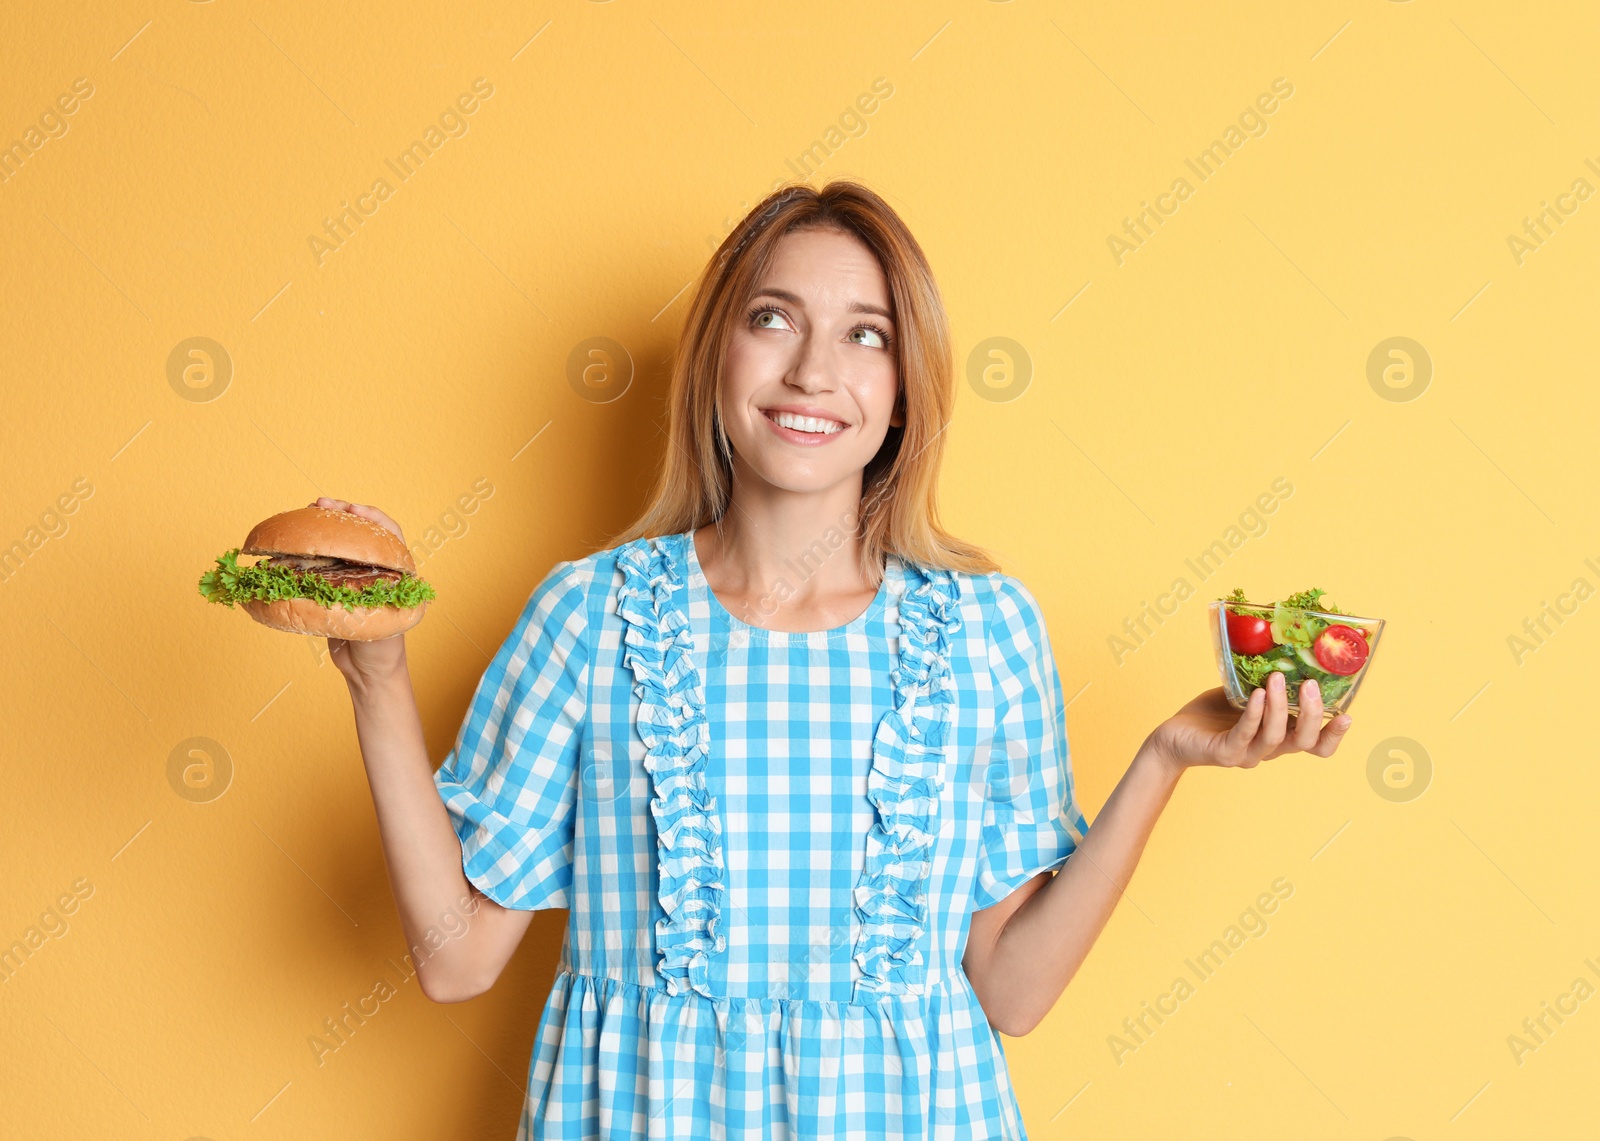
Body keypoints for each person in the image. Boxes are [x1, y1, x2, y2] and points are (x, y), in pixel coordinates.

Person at [322, 179, 1353, 1140]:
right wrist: (379, 677)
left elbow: (1011, 992)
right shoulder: (592, 616)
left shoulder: (984, 630)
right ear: (715, 354)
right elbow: (456, 958)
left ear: (905, 389)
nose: (813, 371)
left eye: (867, 335)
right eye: (773, 319)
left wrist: (1163, 757)